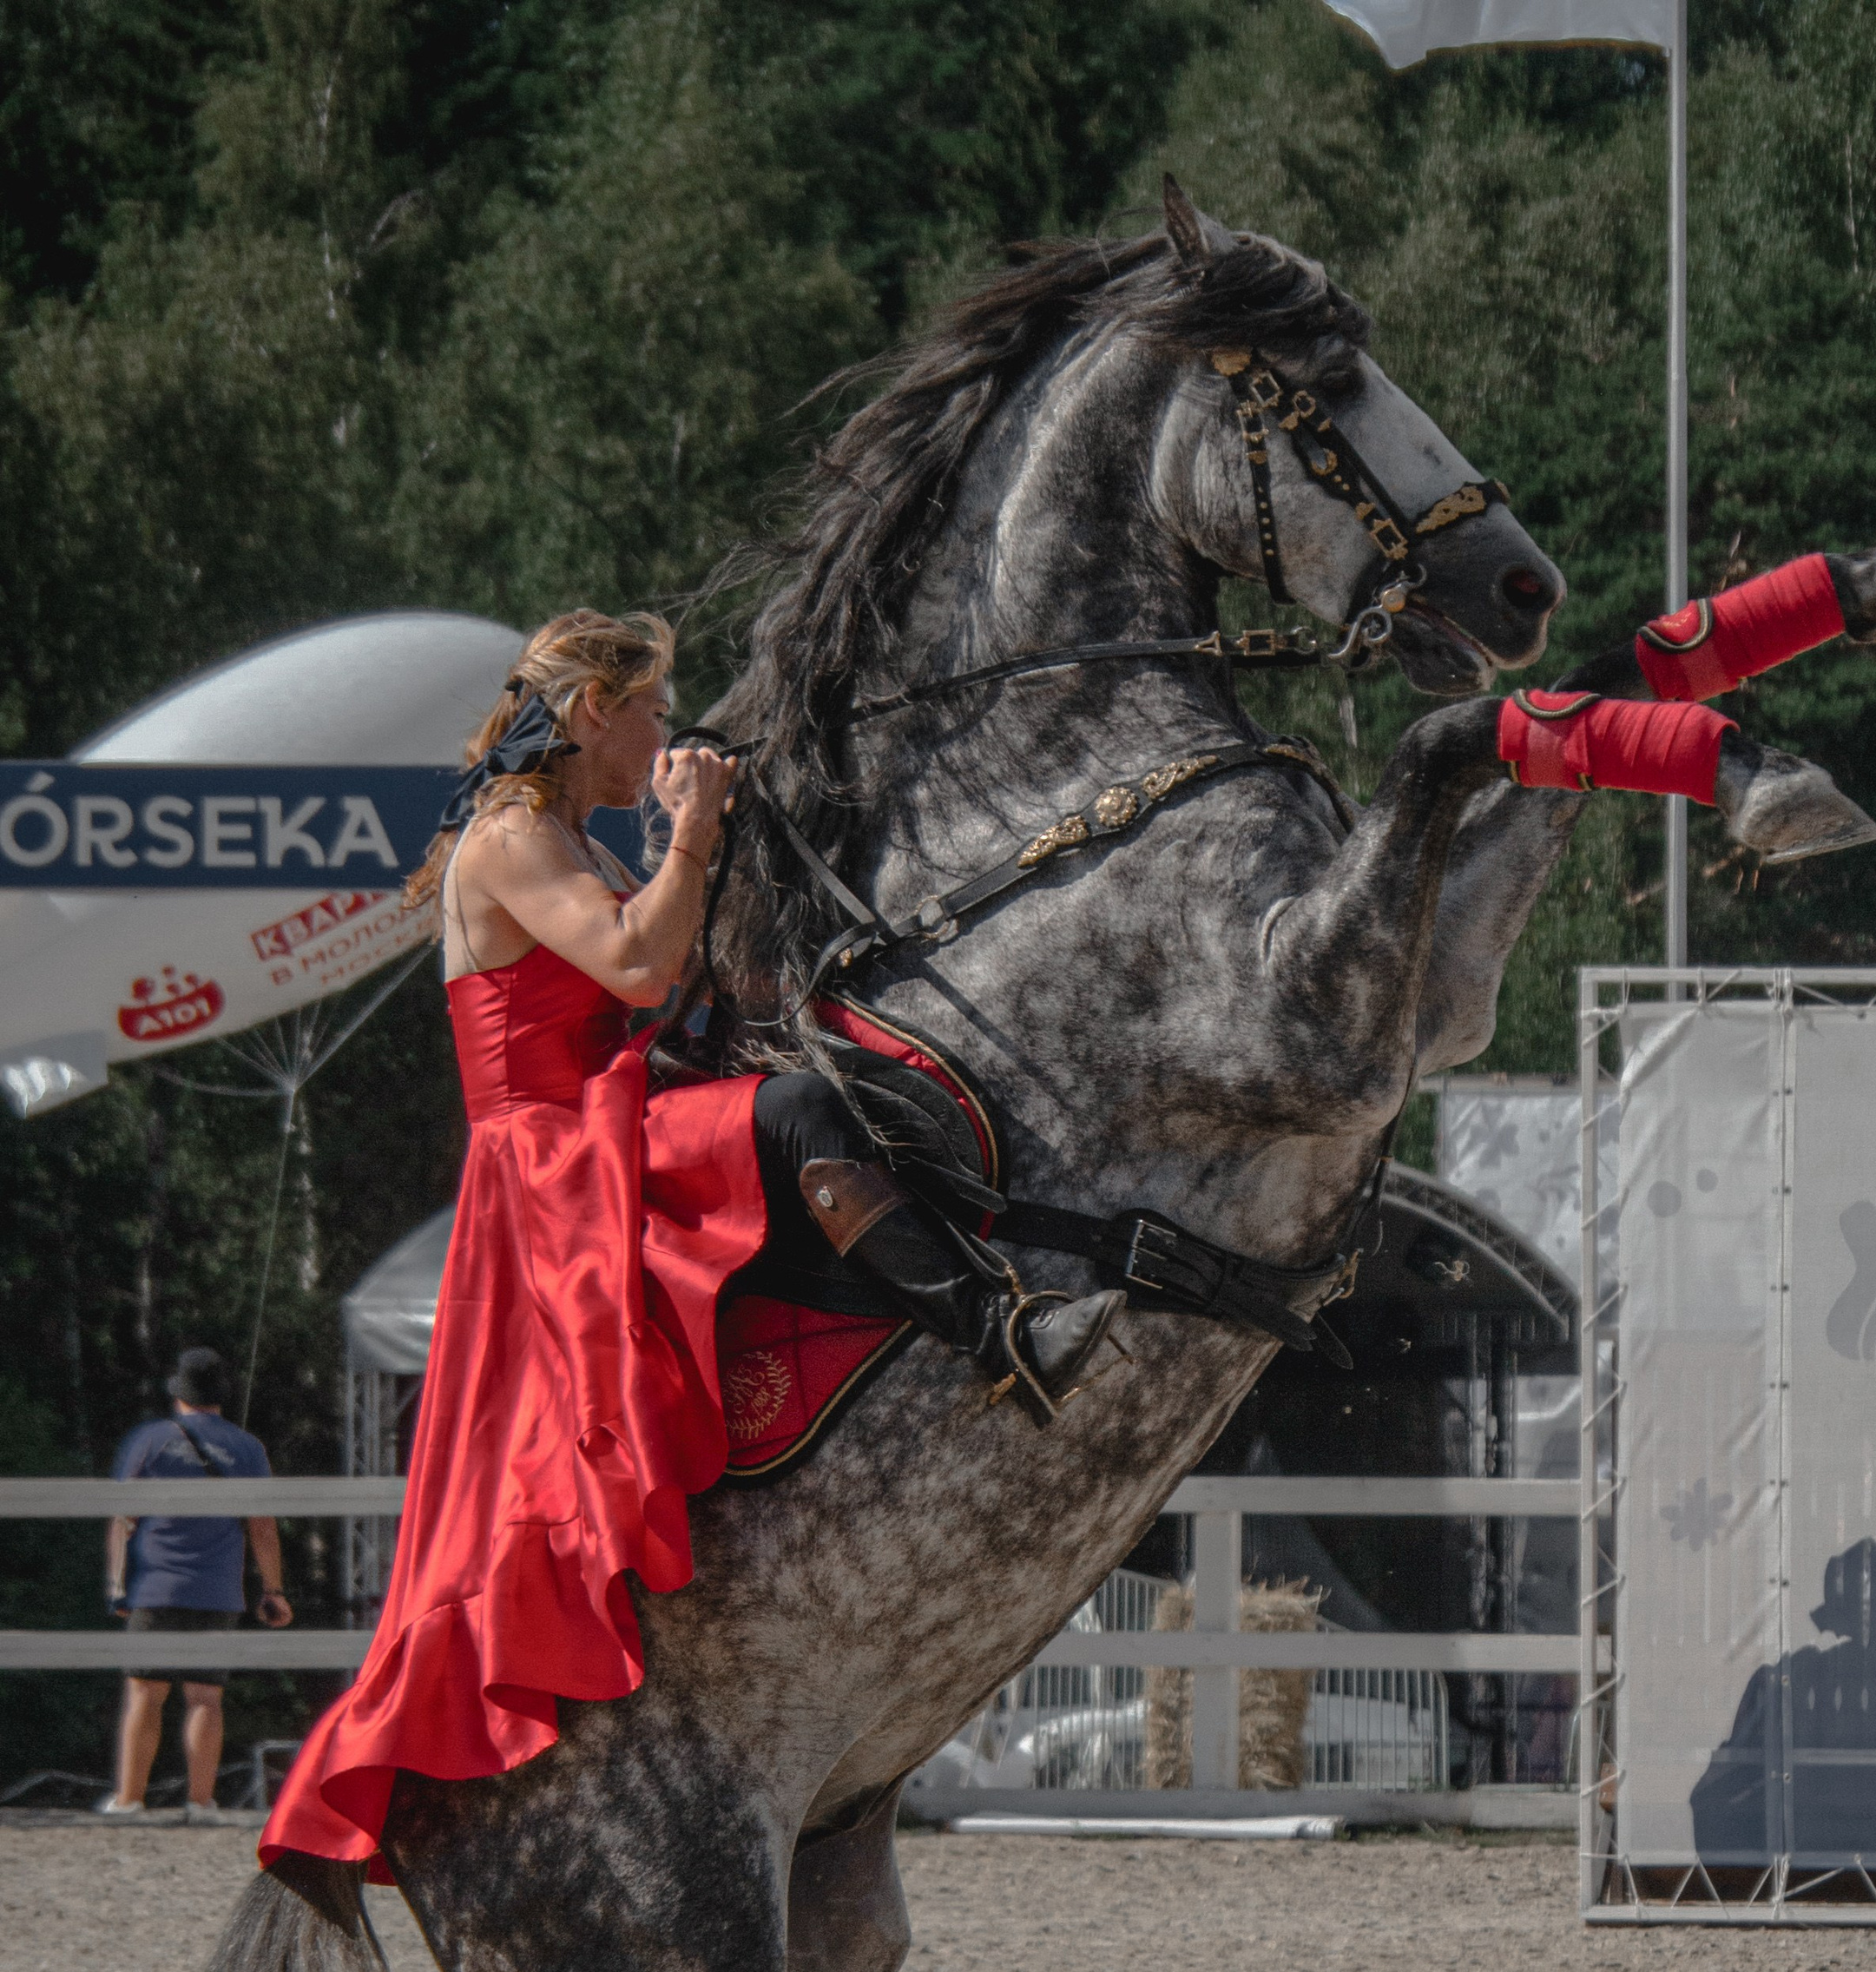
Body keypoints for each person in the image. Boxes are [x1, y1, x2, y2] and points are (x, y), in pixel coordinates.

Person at [260, 608, 1119, 1874]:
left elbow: (667, 976)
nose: (667, 734)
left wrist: (704, 859)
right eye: (653, 710)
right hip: (552, 1158)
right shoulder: (510, 837)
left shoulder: (568, 836)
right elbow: (635, 963)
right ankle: (1002, 1329)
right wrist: (693, 834)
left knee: (828, 1112)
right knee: (801, 1111)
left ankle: (939, 1351)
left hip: (603, 1121)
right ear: (593, 711)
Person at [104, 1348, 293, 1819]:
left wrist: (117, 1585)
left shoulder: (150, 1440)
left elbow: (122, 1518)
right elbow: (262, 1526)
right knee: (205, 1697)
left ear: (179, 1394)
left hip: (156, 1588)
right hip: (218, 1591)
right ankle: (201, 1802)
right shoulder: (247, 1448)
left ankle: (129, 1801)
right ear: (220, 1395)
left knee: (145, 1693)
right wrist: (273, 1590)